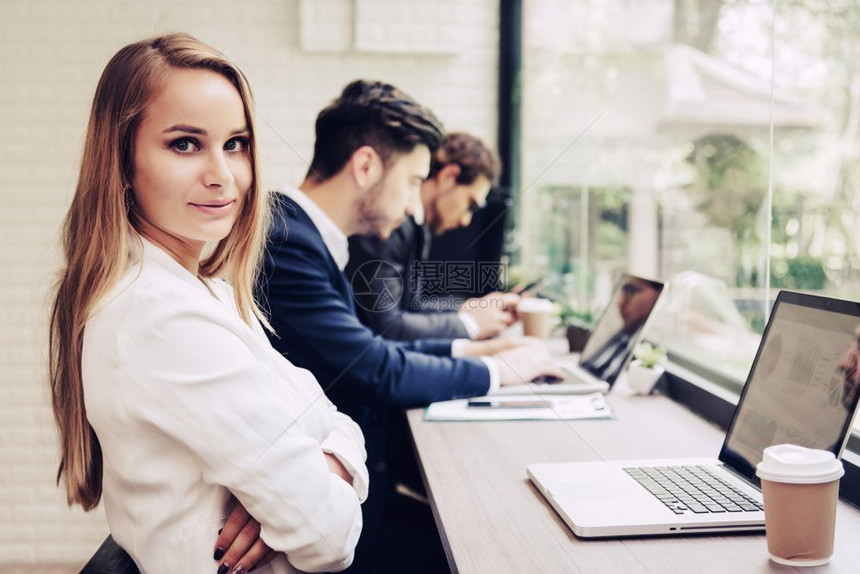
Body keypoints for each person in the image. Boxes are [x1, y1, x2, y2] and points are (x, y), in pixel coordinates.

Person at [49, 34, 368, 574]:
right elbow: (328, 537)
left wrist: (330, 461)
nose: (222, 174)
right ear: (122, 163)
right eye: (184, 144)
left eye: (236, 143)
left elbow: (337, 420)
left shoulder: (204, 291)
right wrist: (322, 474)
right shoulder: (162, 317)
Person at [259, 80, 563, 572]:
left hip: (349, 495)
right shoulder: (288, 242)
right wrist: (498, 370)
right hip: (333, 518)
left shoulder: (313, 239)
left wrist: (483, 355)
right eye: (412, 181)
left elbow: (371, 349)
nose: (412, 207)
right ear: (365, 167)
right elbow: (377, 365)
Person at [346, 132, 517, 341]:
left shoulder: (418, 227)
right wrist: (470, 324)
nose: (466, 220)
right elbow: (388, 327)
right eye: (470, 205)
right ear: (448, 176)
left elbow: (409, 308)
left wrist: (465, 310)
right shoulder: (389, 225)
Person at [580, 276, 662, 382]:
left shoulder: (648, 343)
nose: (621, 302)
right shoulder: (623, 334)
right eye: (624, 291)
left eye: (631, 291)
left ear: (657, 294)